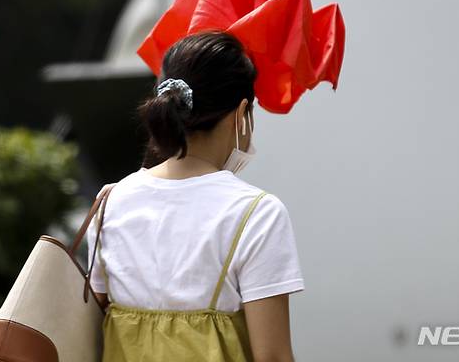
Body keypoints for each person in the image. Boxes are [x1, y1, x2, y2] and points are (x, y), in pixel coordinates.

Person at [87, 31, 305, 362]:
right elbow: (272, 355)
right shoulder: (257, 214)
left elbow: (94, 322)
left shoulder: (110, 202)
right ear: (242, 113)